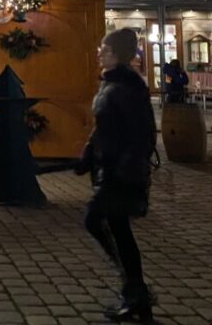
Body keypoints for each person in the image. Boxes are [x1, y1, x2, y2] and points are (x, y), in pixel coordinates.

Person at [76, 28, 156, 323]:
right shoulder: (110, 82)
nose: (100, 52)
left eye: (105, 49)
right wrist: (88, 151)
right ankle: (137, 295)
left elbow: (139, 133)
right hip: (107, 167)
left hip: (120, 171)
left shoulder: (127, 87)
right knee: (119, 230)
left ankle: (135, 290)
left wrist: (123, 168)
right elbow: (103, 125)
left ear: (119, 55)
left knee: (96, 221)